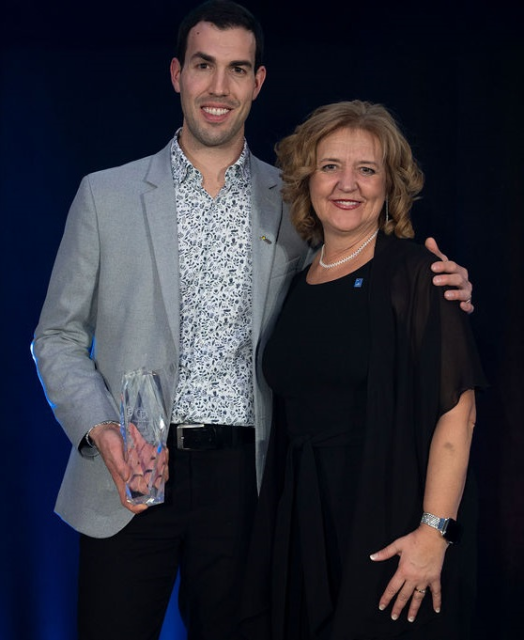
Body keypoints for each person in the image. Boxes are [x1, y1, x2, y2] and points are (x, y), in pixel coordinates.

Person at [31, 2, 474, 639]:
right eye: (204, 66)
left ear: (257, 82)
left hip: (252, 486)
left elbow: (364, 276)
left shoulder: (297, 204)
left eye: (237, 69)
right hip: (129, 475)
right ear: (177, 74)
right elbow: (57, 337)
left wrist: (449, 291)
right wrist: (104, 432)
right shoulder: (106, 196)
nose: (219, 87)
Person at [240, 100, 487, 640]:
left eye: (366, 169)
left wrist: (434, 532)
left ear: (389, 185)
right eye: (330, 166)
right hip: (302, 527)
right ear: (308, 179)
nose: (346, 184)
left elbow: (458, 412)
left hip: (387, 525)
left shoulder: (416, 273)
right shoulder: (296, 279)